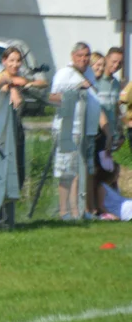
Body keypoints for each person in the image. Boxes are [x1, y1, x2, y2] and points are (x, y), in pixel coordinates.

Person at [49, 42, 96, 220]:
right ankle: (65, 211)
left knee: (81, 171)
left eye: (86, 55)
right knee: (67, 172)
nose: (84, 59)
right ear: (72, 56)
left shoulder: (89, 73)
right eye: (80, 56)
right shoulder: (65, 73)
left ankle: (79, 209)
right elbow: (52, 97)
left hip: (85, 130)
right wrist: (75, 90)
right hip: (68, 128)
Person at [0, 46, 47, 193]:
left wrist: (28, 83)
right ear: (4, 61)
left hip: (17, 126)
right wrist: (12, 87)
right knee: (4, 170)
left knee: (19, 170)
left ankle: (11, 207)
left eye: (18, 61)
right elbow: (0, 85)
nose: (15, 64)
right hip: (2, 130)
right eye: (11, 60)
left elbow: (43, 83)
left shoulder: (20, 78)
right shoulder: (0, 78)